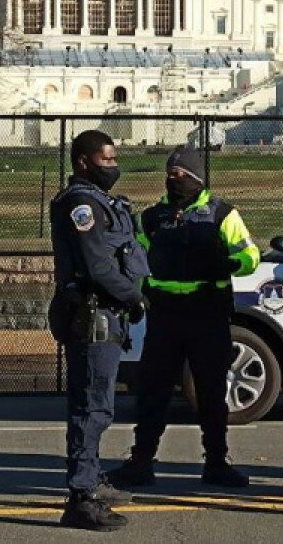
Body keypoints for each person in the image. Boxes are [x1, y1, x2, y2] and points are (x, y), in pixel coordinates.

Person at [107, 147, 260, 489]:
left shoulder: (222, 213)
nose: (175, 180)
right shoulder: (152, 217)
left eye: (182, 174)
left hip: (208, 310)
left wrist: (226, 262)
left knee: (211, 391)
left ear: (197, 178)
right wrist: (137, 291)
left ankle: (217, 463)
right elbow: (136, 260)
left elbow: (250, 255)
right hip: (166, 315)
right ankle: (142, 462)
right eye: (170, 173)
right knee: (153, 391)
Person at [49, 130, 151, 532]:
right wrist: (134, 297)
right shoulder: (81, 205)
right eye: (106, 160)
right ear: (83, 162)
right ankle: (81, 497)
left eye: (115, 159)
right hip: (93, 315)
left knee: (100, 407)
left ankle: (91, 480)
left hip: (109, 315)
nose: (113, 166)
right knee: (91, 410)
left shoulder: (104, 202)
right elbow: (97, 265)